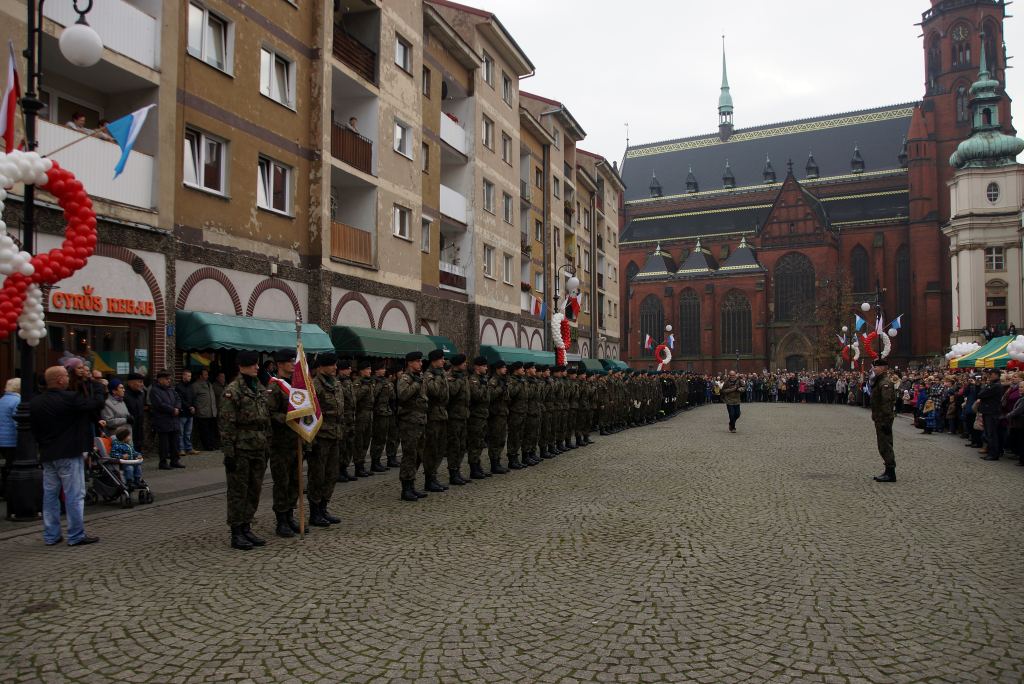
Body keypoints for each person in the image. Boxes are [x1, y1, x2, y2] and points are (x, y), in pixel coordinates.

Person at [30, 365, 105, 546]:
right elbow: (95, 404)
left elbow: (34, 430)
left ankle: (51, 534)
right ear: (60, 380)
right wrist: (97, 386)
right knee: (74, 494)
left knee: (50, 495)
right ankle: (76, 534)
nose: (69, 379)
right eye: (66, 376)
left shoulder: (35, 402)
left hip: (48, 454)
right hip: (69, 453)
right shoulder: (71, 399)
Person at [219, 351, 272, 550]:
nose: (257, 368)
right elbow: (226, 424)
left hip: (258, 446)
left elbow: (265, 420)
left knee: (254, 489)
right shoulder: (233, 390)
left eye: (257, 365)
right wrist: (229, 453)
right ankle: (236, 531)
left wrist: (267, 444)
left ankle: (247, 525)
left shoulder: (258, 387)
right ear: (242, 366)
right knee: (238, 491)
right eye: (253, 365)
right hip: (241, 447)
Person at [267, 349, 301, 537]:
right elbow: (269, 413)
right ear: (280, 364)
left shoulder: (295, 385)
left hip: (294, 441)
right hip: (280, 443)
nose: (293, 364)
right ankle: (281, 520)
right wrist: (288, 417)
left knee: (295, 482)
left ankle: (290, 515)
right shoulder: (275, 387)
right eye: (290, 361)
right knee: (282, 482)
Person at [309, 353, 343, 526]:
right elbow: (310, 413)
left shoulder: (335, 384)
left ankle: (323, 507)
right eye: (331, 365)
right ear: (321, 367)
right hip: (321, 436)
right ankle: (314, 512)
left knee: (331, 474)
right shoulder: (315, 385)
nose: (335, 368)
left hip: (335, 434)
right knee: (318, 475)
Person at [396, 351, 428, 502]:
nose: (421, 364)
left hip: (420, 421)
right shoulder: (405, 378)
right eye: (418, 361)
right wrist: (416, 384)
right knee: (409, 455)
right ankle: (406, 488)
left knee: (418, 454)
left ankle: (412, 484)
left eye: (421, 361)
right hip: (409, 422)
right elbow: (402, 395)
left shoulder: (419, 378)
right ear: (410, 363)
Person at [422, 348, 450, 492]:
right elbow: (434, 391)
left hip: (442, 414)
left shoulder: (441, 374)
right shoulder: (429, 375)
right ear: (434, 361)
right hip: (432, 416)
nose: (444, 361)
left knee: (440, 448)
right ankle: (429, 479)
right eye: (441, 359)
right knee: (431, 449)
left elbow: (446, 394)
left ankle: (434, 476)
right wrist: (439, 377)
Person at [869, 357, 898, 483]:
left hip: (883, 418)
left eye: (875, 367)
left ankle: (890, 472)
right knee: (883, 445)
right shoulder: (879, 381)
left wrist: (886, 420)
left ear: (882, 368)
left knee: (885, 445)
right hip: (880, 417)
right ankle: (888, 470)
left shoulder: (884, 383)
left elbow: (886, 403)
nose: (874, 369)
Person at [149, 369, 183, 469]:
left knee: (175, 443)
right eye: (167, 379)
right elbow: (159, 405)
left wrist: (177, 408)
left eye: (169, 379)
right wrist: (172, 410)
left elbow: (178, 399)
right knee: (164, 444)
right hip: (162, 421)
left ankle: (175, 461)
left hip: (174, 420)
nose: (169, 381)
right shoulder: (154, 390)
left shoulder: (171, 389)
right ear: (160, 379)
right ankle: (163, 462)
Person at [445, 353, 471, 485]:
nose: (466, 364)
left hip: (463, 416)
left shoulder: (462, 377)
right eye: (464, 363)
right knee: (454, 445)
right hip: (454, 417)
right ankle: (453, 473)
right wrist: (459, 380)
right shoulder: (451, 377)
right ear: (458, 364)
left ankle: (457, 470)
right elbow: (452, 393)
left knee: (461, 446)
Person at [466, 356, 491, 479]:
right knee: (475, 443)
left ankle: (477, 465)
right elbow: (476, 396)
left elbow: (488, 397)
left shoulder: (482, 379)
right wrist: (483, 386)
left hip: (483, 415)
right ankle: (473, 468)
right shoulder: (473, 380)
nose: (486, 368)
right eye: (484, 366)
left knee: (480, 442)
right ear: (477, 367)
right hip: (475, 416)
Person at [977, 367, 1005, 461]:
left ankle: (993, 454)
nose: (989, 375)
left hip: (991, 412)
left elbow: (981, 394)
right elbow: (981, 393)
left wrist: (985, 388)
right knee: (989, 433)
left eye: (991, 374)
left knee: (991, 434)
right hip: (988, 411)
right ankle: (991, 452)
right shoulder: (992, 384)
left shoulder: (996, 385)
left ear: (996, 375)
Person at [192, 368, 218, 450]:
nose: (207, 376)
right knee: (204, 431)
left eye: (207, 374)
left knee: (212, 431)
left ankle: (213, 445)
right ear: (200, 376)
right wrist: (198, 408)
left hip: (212, 412)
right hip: (202, 413)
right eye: (205, 374)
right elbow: (192, 398)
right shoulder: (195, 385)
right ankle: (207, 446)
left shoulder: (209, 384)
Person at [175, 369, 197, 457]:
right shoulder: (179, 387)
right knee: (181, 432)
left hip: (190, 413)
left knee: (188, 432)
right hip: (183, 412)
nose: (189, 378)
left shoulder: (191, 386)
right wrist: (189, 407)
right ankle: (181, 449)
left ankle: (189, 448)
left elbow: (194, 397)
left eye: (190, 376)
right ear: (183, 376)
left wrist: (194, 406)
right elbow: (180, 399)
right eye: (187, 376)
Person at [123, 373, 147, 450]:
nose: (142, 384)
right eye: (140, 382)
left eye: (142, 382)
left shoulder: (141, 394)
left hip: (139, 430)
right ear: (130, 383)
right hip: (128, 430)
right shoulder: (124, 395)